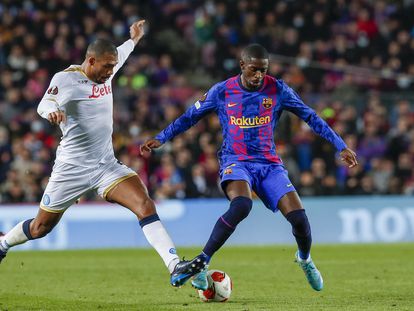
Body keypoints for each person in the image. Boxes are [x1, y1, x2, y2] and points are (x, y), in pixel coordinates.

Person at [0, 20, 205, 287]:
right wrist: (51, 111)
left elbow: (123, 52)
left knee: (144, 205)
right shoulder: (66, 79)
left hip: (105, 165)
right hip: (71, 168)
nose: (111, 71)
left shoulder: (108, 66)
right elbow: (45, 102)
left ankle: (175, 266)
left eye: (113, 65)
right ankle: (3, 243)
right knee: (41, 228)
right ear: (91, 61)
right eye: (107, 66)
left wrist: (135, 39)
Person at [140, 44, 358, 291]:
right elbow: (190, 116)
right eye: (254, 70)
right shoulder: (222, 91)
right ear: (242, 65)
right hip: (236, 161)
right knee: (242, 205)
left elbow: (311, 117)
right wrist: (162, 137)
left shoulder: (277, 89)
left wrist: (341, 145)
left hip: (269, 164)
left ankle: (305, 259)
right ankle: (202, 261)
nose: (259, 76)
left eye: (263, 70)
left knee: (299, 219)